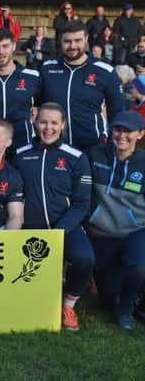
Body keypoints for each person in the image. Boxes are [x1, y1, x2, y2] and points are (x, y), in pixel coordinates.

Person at [16, 102, 94, 331]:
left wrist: (59, 231)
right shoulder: (21, 154)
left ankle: (68, 305)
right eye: (43, 122)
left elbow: (82, 203)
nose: (48, 128)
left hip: (64, 228)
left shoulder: (76, 157)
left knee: (85, 258)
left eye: (53, 123)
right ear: (35, 122)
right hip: (29, 228)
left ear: (62, 125)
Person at [86, 110, 145, 330]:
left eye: (128, 131)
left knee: (139, 267)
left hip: (135, 230)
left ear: (140, 134)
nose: (122, 136)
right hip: (101, 233)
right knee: (107, 301)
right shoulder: (95, 154)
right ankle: (123, 300)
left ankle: (127, 311)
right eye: (118, 129)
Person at [39, 20, 123, 152]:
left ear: (86, 39)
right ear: (60, 41)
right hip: (55, 148)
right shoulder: (47, 68)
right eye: (67, 41)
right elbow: (37, 106)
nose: (72, 46)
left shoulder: (105, 71)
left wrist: (112, 144)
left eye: (78, 40)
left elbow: (117, 112)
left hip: (93, 148)